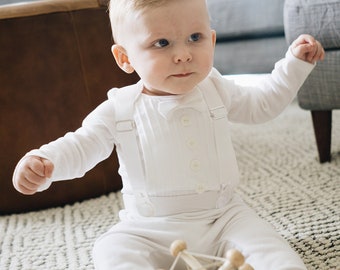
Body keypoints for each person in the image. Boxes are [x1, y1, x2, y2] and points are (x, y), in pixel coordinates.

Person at [12, 0, 325, 269]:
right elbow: (82, 146)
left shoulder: (215, 88)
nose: (183, 54)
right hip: (149, 228)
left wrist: (294, 65)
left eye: (195, 37)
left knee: (273, 250)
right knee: (111, 250)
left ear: (212, 40)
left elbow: (262, 105)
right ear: (125, 58)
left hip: (224, 217)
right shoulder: (120, 108)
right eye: (161, 43)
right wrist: (47, 160)